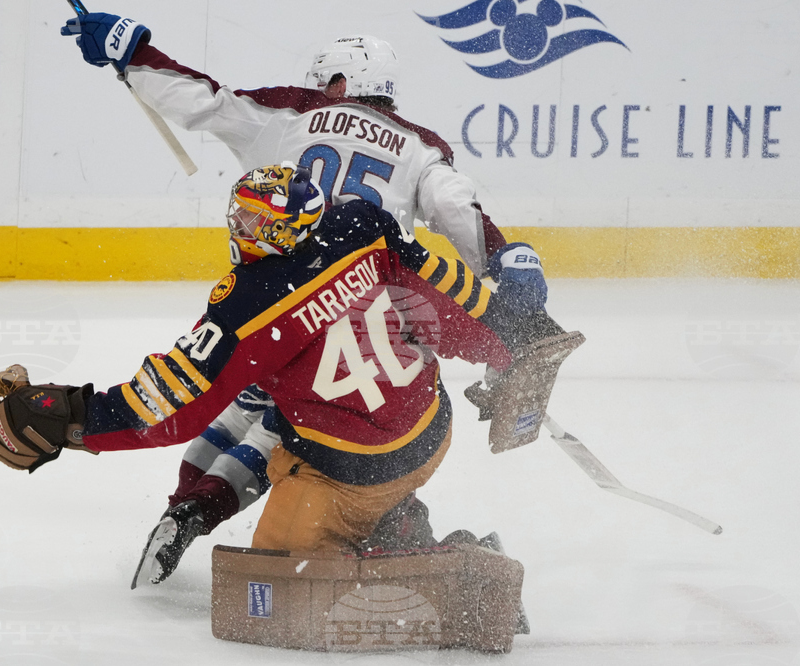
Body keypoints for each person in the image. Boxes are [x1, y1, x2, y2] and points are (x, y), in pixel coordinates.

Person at [58, 14, 557, 584]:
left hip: (279, 313)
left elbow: (202, 101)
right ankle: (394, 525)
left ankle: (195, 504)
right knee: (329, 433)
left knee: (242, 402)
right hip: (383, 329)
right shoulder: (422, 148)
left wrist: (134, 56)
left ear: (339, 83)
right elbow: (461, 220)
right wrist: (507, 269)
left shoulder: (294, 113)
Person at [0, 164, 562, 583]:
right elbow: (449, 299)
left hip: (352, 475)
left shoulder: (250, 303)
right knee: (267, 403)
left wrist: (73, 420)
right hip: (431, 430)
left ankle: (433, 552)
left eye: (253, 221)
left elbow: (173, 402)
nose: (239, 229)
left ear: (281, 231)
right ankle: (364, 510)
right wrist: (515, 337)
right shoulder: (364, 224)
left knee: (280, 575)